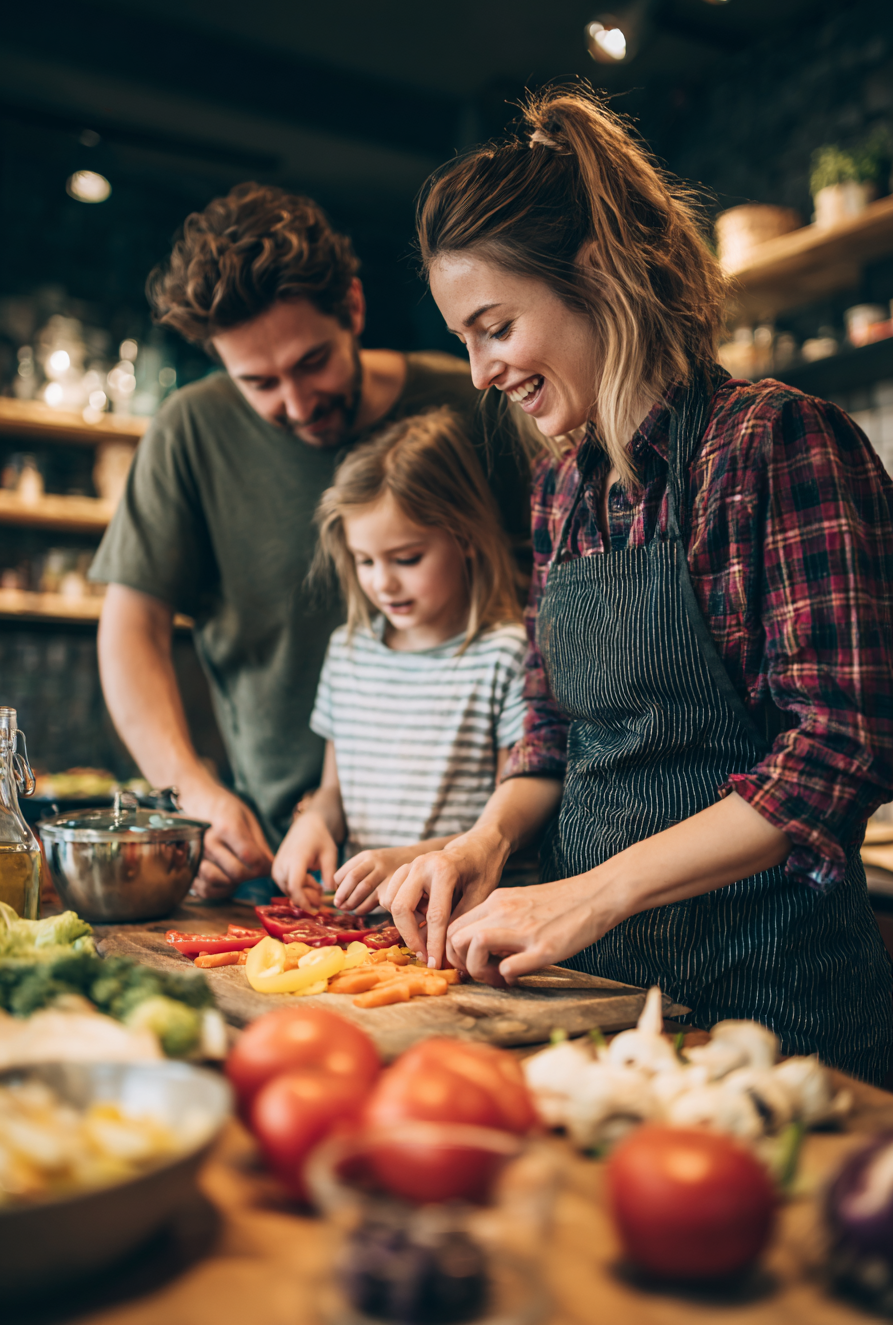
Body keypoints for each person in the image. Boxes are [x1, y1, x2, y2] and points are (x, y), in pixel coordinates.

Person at [380, 88, 893, 1082]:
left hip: (775, 1016)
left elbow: (835, 752)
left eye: (493, 326)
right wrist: (481, 845)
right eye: (464, 341)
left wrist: (592, 892)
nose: (480, 371)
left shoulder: (772, 445)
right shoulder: (558, 488)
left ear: (596, 276)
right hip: (598, 1001)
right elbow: (549, 727)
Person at [90, 184, 531, 900]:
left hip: (471, 870)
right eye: (258, 383)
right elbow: (130, 632)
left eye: (312, 362)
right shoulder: (189, 431)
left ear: (352, 308)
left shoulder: (476, 402)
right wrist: (191, 793)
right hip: (273, 861)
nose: (295, 405)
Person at [272, 409, 529, 913]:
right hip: (362, 924)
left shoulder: (504, 655)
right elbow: (333, 792)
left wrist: (408, 860)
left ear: (466, 537)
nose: (382, 583)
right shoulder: (348, 652)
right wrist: (314, 822)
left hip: (458, 920)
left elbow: (508, 827)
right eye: (365, 561)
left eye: (406, 558)